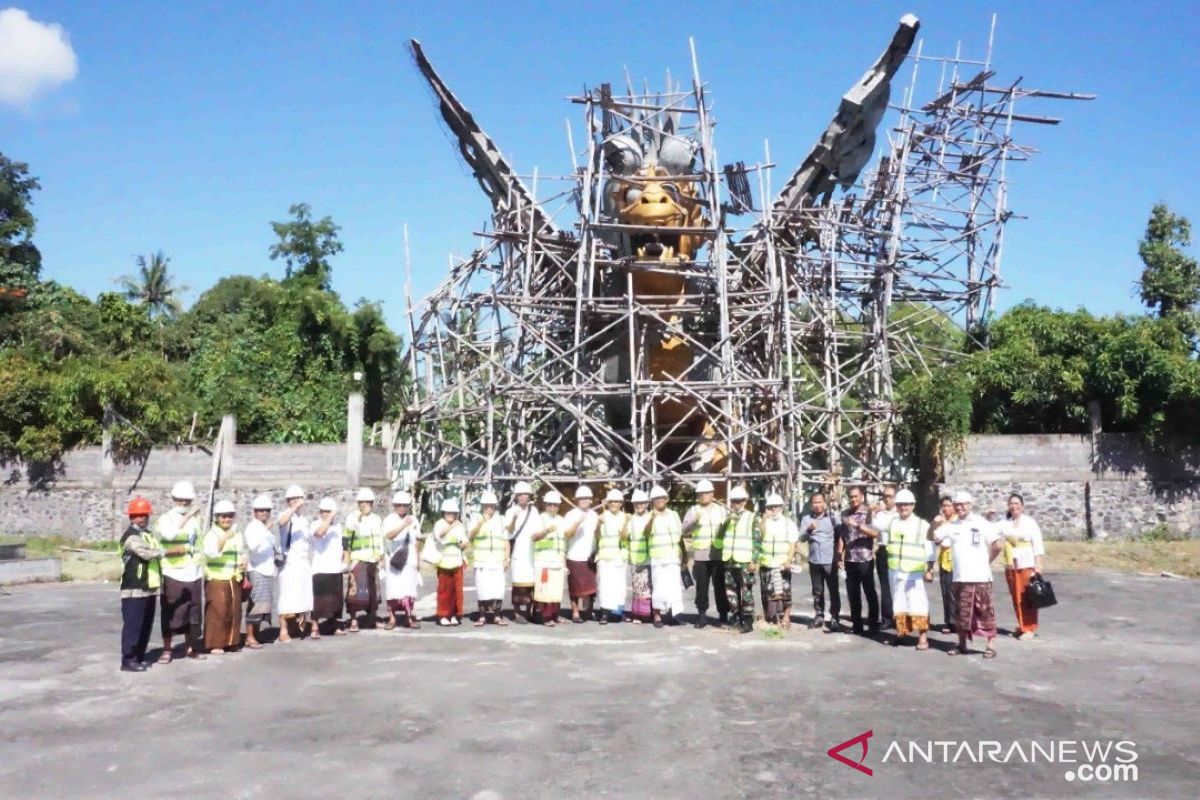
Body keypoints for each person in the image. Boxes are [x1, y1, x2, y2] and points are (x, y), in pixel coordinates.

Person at [938, 490, 1003, 659]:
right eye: (957, 505)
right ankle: (962, 643)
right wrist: (933, 525)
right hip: (960, 577)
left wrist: (987, 561)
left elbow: (997, 545)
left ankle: (990, 645)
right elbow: (934, 537)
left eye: (963, 504)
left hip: (980, 576)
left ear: (970, 505)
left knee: (985, 612)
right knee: (961, 613)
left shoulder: (981, 523)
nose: (960, 508)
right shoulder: (951, 526)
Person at [154, 480, 205, 663]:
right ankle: (167, 649)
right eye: (180, 500)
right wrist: (188, 515)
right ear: (173, 499)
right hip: (173, 572)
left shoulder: (196, 519)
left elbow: (199, 542)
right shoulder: (165, 519)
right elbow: (170, 535)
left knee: (193, 612)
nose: (183, 504)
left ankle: (190, 647)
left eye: (187, 501)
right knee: (171, 612)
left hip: (194, 572)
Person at [884, 489, 934, 650]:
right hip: (896, 570)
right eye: (900, 504)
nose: (903, 507)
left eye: (907, 504)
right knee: (899, 604)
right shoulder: (892, 522)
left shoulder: (921, 524)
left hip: (914, 573)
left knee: (918, 604)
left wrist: (929, 569)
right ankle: (901, 633)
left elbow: (930, 549)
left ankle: (923, 638)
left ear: (913, 505)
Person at [119, 497, 162, 672]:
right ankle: (128, 660)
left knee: (145, 625)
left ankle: (139, 657)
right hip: (133, 589)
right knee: (133, 626)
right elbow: (146, 553)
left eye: (144, 515)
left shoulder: (148, 535)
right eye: (138, 515)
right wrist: (167, 551)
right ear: (131, 517)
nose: (142, 518)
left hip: (148, 588)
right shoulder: (130, 536)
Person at [682, 479, 729, 628]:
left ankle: (723, 615)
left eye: (706, 493)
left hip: (718, 553)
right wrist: (694, 522)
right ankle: (701, 615)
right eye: (701, 494)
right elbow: (684, 531)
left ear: (712, 493)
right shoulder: (694, 511)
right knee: (701, 586)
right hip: (701, 555)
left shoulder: (722, 509)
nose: (703, 496)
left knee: (720, 586)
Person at [1000, 493, 1046, 641]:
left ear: (1022, 506)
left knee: (1027, 596)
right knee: (1016, 597)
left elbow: (1037, 543)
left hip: (1026, 563)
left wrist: (1038, 564)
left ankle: (1030, 627)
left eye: (1017, 503)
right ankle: (1022, 625)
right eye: (1011, 503)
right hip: (1011, 564)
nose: (1014, 506)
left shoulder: (1029, 523)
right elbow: (991, 531)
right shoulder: (1005, 523)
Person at [203, 500, 246, 655]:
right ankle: (216, 643)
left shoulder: (237, 534)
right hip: (216, 578)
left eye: (229, 516)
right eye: (223, 516)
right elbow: (212, 553)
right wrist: (226, 536)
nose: (227, 519)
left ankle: (232, 641)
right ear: (217, 517)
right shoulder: (211, 534)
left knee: (234, 611)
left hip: (233, 577)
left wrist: (243, 561)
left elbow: (240, 552)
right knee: (218, 612)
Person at [838, 485, 880, 635]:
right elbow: (843, 537)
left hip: (865, 559)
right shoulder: (845, 514)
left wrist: (859, 527)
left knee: (869, 592)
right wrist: (839, 555)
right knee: (853, 594)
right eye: (851, 497)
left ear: (861, 497)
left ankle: (874, 624)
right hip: (850, 560)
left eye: (856, 496)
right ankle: (857, 625)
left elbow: (876, 533)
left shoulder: (868, 513)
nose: (853, 499)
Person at [275, 485, 314, 642]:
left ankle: (299, 626)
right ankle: (283, 630)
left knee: (302, 595)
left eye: (298, 499)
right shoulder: (285, 515)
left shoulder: (304, 520)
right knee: (286, 596)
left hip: (303, 562)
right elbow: (282, 522)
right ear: (287, 501)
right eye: (293, 499)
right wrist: (293, 508)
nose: (296, 502)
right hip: (289, 562)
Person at [721, 486, 760, 633]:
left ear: (745, 501)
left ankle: (748, 620)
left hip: (744, 560)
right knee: (731, 592)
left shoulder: (752, 517)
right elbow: (720, 535)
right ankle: (736, 617)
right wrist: (726, 520)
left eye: (738, 501)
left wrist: (754, 560)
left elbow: (757, 541)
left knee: (746, 591)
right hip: (729, 560)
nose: (736, 504)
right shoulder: (728, 518)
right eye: (733, 501)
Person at [800, 492, 841, 632]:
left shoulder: (832, 518)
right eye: (815, 503)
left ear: (824, 503)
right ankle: (819, 616)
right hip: (814, 560)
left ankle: (835, 617)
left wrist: (840, 556)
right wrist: (809, 530)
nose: (818, 505)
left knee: (833, 590)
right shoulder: (806, 519)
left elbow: (840, 536)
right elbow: (802, 538)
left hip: (830, 560)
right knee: (817, 591)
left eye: (820, 502)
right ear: (811, 505)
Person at [344, 487, 383, 631]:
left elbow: (379, 538)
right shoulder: (352, 517)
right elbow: (349, 531)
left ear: (372, 503)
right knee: (355, 592)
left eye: (367, 502)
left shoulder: (377, 519)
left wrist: (381, 556)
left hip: (373, 559)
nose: (364, 504)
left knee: (373, 592)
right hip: (358, 559)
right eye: (362, 502)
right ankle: (354, 620)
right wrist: (360, 516)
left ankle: (371, 618)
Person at [241, 493, 278, 649]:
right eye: (260, 510)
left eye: (266, 510)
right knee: (255, 604)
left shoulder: (265, 529)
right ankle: (249, 636)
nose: (264, 513)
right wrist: (266, 530)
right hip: (257, 569)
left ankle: (255, 634)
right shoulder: (253, 528)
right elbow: (253, 546)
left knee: (264, 605)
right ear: (254, 512)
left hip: (268, 570)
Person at [383, 490, 423, 630]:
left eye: (405, 505)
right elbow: (389, 535)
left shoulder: (414, 519)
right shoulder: (389, 519)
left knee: (409, 590)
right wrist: (404, 525)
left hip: (409, 559)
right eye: (399, 505)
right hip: (394, 560)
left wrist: (418, 560)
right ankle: (392, 618)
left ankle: (408, 617)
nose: (402, 508)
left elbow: (417, 540)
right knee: (394, 590)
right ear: (394, 505)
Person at [647, 485, 685, 628]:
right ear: (652, 501)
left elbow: (679, 536)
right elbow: (646, 533)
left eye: (662, 498)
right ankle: (657, 615)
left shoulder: (674, 515)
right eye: (656, 499)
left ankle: (672, 614)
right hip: (657, 557)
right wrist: (652, 519)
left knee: (673, 587)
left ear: (666, 499)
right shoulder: (649, 515)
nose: (659, 501)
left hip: (673, 557)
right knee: (658, 587)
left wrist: (684, 556)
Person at [469, 490, 509, 626]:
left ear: (495, 506)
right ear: (482, 506)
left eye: (491, 505)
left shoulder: (502, 520)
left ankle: (497, 616)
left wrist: (506, 558)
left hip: (497, 560)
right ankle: (482, 616)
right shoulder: (475, 518)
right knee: (482, 589)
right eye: (486, 505)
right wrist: (481, 522)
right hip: (481, 560)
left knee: (498, 590)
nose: (489, 508)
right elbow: (470, 536)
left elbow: (506, 540)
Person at [758, 493, 799, 628]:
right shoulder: (764, 522)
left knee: (785, 593)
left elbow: (792, 543)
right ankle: (768, 615)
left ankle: (786, 617)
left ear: (781, 507)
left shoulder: (788, 523)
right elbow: (760, 536)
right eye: (771, 507)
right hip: (766, 562)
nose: (774, 509)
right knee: (766, 592)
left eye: (777, 506)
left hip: (782, 563)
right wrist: (764, 520)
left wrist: (789, 559)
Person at [505, 481, 542, 624]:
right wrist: (514, 519)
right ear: (516, 496)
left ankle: (528, 611)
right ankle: (517, 612)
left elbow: (538, 530)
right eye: (520, 495)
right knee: (518, 584)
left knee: (530, 584)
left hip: (531, 551)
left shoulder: (534, 511)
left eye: (525, 494)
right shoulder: (510, 511)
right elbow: (508, 532)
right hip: (518, 552)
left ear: (529, 496)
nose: (522, 497)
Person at [562, 485, 600, 623]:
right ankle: (575, 612)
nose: (584, 500)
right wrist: (578, 522)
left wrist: (597, 552)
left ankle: (588, 611)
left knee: (590, 588)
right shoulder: (571, 515)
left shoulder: (594, 515)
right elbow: (567, 534)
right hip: (574, 555)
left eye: (587, 498)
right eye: (581, 498)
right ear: (577, 500)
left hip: (590, 556)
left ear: (591, 500)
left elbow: (597, 535)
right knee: (575, 588)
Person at [310, 497, 346, 635]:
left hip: (335, 568)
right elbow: (319, 533)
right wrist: (330, 518)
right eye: (324, 511)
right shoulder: (315, 524)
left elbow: (341, 545)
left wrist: (344, 560)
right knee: (318, 600)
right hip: (320, 568)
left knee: (335, 600)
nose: (327, 514)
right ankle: (315, 627)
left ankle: (335, 625)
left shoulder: (338, 527)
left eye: (329, 511)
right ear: (320, 512)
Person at [531, 491, 567, 626]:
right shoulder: (539, 519)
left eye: (555, 505)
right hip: (543, 560)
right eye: (550, 504)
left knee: (556, 590)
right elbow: (534, 537)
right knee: (544, 591)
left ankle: (555, 615)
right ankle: (545, 617)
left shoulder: (561, 520)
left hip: (558, 560)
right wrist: (546, 531)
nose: (553, 507)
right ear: (545, 504)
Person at [433, 498, 468, 626]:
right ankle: (443, 615)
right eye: (448, 513)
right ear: (443, 513)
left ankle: (454, 614)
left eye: (453, 513)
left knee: (456, 591)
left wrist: (464, 544)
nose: (451, 515)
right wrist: (452, 526)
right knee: (444, 590)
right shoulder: (439, 524)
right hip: (443, 562)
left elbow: (464, 541)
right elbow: (439, 536)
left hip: (457, 561)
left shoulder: (459, 525)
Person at [928, 495, 957, 633]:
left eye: (948, 505)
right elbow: (934, 540)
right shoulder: (941, 522)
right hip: (944, 558)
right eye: (943, 506)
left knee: (955, 591)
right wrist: (934, 525)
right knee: (945, 590)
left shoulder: (958, 521)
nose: (946, 508)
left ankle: (957, 621)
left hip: (957, 558)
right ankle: (949, 621)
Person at [871, 485, 899, 629]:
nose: (887, 499)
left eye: (890, 496)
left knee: (899, 586)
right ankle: (887, 618)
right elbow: (873, 528)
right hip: (883, 550)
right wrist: (873, 512)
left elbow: (884, 527)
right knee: (885, 586)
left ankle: (900, 618)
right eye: (885, 496)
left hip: (897, 550)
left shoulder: (900, 513)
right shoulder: (880, 514)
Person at [626, 489, 653, 623]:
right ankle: (638, 614)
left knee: (650, 588)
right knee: (638, 588)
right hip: (636, 559)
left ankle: (650, 613)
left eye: (642, 503)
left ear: (647, 504)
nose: (639, 506)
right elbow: (626, 537)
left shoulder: (652, 517)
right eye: (636, 503)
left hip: (651, 558)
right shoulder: (632, 519)